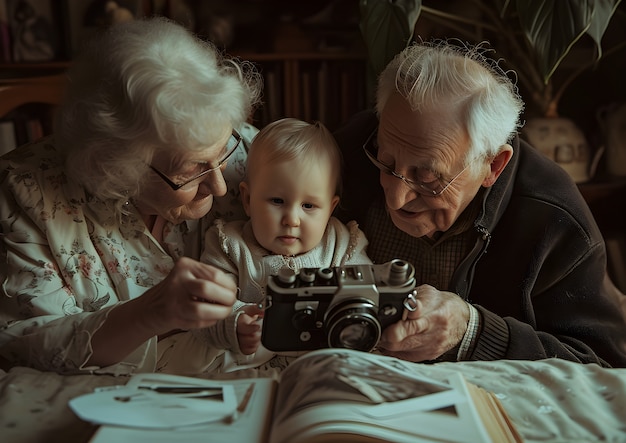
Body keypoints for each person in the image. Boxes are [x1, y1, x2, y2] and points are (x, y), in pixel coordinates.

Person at [334, 40, 626, 367]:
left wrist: (473, 331)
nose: (396, 196)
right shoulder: (346, 153)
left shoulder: (553, 218)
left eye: (427, 176)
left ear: (492, 166)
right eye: (385, 163)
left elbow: (604, 363)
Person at [0, 17, 263, 374]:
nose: (220, 187)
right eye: (191, 169)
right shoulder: (24, 195)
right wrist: (148, 313)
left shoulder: (253, 154)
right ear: (116, 168)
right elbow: (23, 348)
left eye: (224, 150)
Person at [199, 117, 371, 372]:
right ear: (247, 200)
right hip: (249, 373)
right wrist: (236, 322)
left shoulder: (341, 243)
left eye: (309, 206)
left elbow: (365, 294)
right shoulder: (229, 245)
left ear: (330, 209)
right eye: (277, 201)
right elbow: (208, 304)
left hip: (324, 369)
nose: (291, 219)